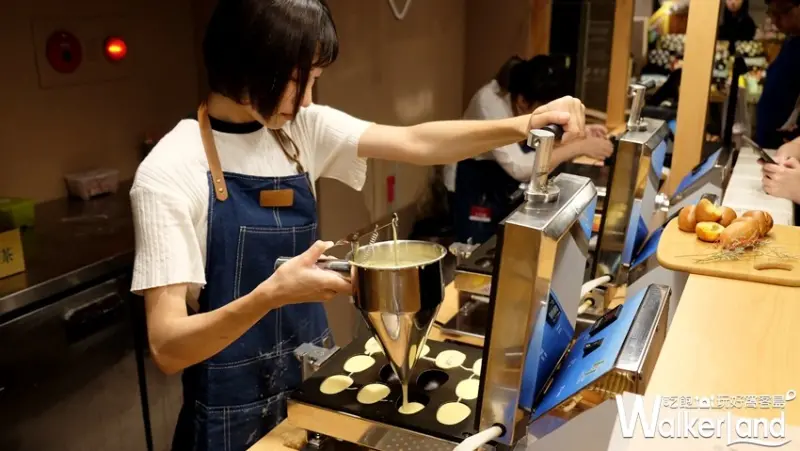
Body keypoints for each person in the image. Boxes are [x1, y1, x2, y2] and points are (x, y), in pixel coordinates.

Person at [129, 1, 588, 450]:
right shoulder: (171, 169)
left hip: (316, 380)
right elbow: (168, 347)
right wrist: (271, 294)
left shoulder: (298, 130)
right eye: (296, 79)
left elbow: (416, 140)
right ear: (246, 62)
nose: (308, 99)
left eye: (314, 80)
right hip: (230, 411)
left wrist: (525, 124)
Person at [446, 55, 613, 244]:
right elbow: (521, 167)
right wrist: (579, 146)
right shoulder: (490, 104)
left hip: (499, 177)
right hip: (475, 180)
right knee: (477, 248)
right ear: (523, 101)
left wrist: (581, 133)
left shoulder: (521, 98)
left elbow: (542, 127)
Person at [756, 0, 800, 149]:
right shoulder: (792, 39)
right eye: (771, 12)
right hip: (772, 145)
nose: (775, 21)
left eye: (783, 12)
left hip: (788, 149)